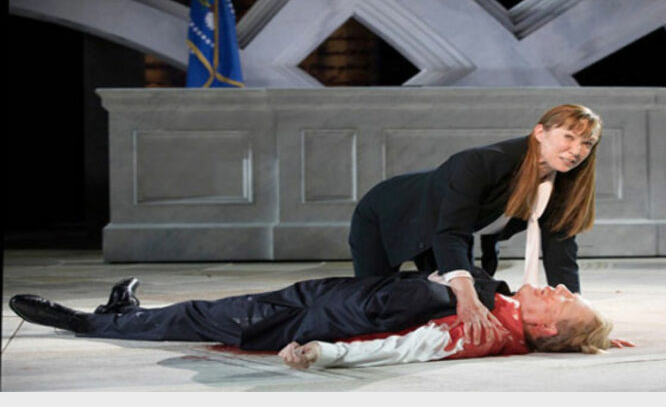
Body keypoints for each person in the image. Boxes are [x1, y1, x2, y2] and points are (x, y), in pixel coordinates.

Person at [8, 268, 622, 370]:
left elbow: (404, 349)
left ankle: (89, 322)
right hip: (328, 295)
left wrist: (325, 354)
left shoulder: (483, 331)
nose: (559, 287)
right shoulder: (500, 304)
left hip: (310, 322)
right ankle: (128, 313)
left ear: (544, 328)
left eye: (563, 300)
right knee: (202, 312)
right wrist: (594, 335)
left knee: (199, 316)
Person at [349, 104, 603, 347]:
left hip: (448, 231)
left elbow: (560, 253)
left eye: (587, 143)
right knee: (370, 306)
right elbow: (452, 232)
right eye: (569, 137)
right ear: (540, 132)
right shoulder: (481, 162)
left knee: (442, 309)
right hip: (389, 211)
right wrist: (467, 298)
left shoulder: (564, 181)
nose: (576, 150)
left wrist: (578, 330)